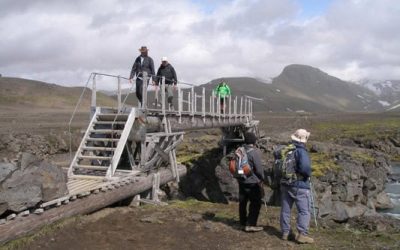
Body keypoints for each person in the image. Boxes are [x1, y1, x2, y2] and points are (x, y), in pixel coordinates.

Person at [280, 129, 314, 244]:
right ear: (304, 139)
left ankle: (285, 232)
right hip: (299, 185)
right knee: (304, 211)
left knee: (286, 209)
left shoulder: (287, 150)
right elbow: (305, 169)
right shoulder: (301, 151)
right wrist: (308, 174)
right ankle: (302, 234)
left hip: (285, 183)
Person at [238, 132, 264, 232]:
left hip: (241, 180)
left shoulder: (240, 150)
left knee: (242, 202)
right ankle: (251, 224)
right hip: (252, 182)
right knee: (255, 203)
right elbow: (259, 170)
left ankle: (242, 223)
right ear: (254, 141)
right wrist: (262, 179)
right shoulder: (254, 152)